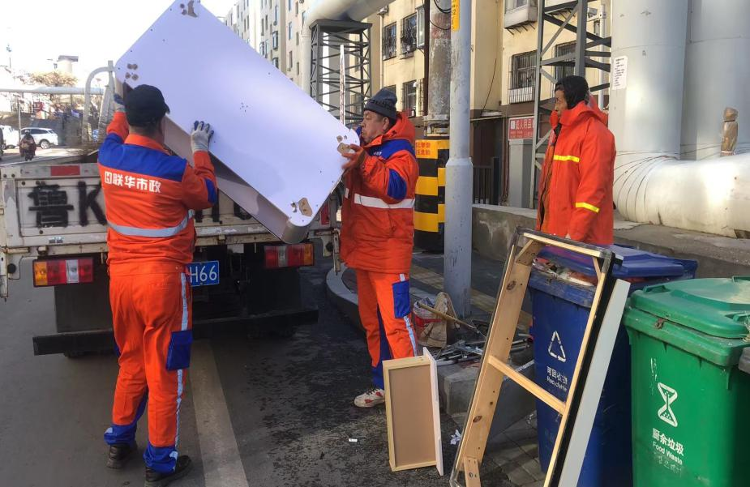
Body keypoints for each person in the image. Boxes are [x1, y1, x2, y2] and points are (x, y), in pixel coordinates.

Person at [99, 83, 218, 486]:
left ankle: (119, 441)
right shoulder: (173, 170)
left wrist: (121, 102)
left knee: (131, 360)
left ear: (131, 119)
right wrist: (200, 148)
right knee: (166, 372)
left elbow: (115, 127)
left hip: (121, 280)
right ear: (160, 122)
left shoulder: (109, 156)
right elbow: (207, 194)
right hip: (162, 282)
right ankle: (161, 462)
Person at [340, 88, 420, 408]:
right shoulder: (366, 147)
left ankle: (411, 398)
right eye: (363, 117)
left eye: (368, 118)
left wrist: (364, 161)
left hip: (388, 256)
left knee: (398, 326)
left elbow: (395, 188)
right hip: (364, 252)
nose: (363, 124)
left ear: (385, 123)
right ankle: (382, 386)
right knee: (373, 324)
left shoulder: (401, 152)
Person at [536, 75, 616, 245]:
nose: (555, 107)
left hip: (583, 242)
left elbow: (592, 190)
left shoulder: (595, 134)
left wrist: (573, 236)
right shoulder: (560, 132)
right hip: (557, 235)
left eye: (559, 101)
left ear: (572, 101)